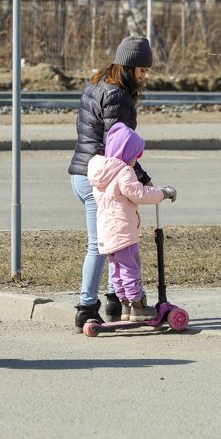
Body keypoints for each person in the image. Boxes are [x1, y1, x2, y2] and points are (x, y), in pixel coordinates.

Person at [67, 35, 154, 332]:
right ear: (128, 67)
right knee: (102, 245)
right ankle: (86, 307)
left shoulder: (95, 83)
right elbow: (117, 145)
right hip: (101, 179)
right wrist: (140, 176)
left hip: (83, 174)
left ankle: (115, 300)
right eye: (141, 69)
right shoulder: (117, 95)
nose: (144, 75)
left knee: (115, 240)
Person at [87, 123, 176, 321]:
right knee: (130, 267)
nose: (136, 161)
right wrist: (162, 193)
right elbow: (139, 194)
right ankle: (137, 305)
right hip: (123, 230)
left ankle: (125, 305)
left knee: (117, 268)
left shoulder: (100, 172)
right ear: (126, 152)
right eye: (136, 155)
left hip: (107, 231)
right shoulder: (123, 172)